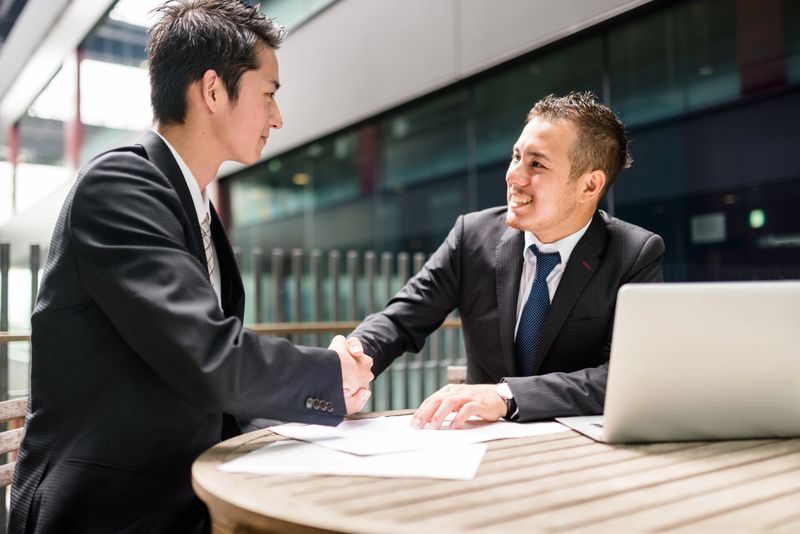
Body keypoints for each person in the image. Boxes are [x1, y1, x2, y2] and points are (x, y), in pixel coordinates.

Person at [9, 1, 372, 533]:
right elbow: (208, 355)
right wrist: (327, 376)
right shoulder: (118, 187)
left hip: (179, 491)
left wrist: (320, 402)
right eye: (269, 93)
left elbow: (201, 381)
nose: (278, 117)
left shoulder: (193, 205)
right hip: (108, 509)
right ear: (212, 91)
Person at [349, 91, 664, 430]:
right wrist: (351, 358)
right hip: (479, 446)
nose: (514, 177)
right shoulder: (471, 235)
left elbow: (627, 375)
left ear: (589, 186)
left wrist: (506, 396)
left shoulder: (635, 253)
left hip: (582, 453)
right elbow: (400, 321)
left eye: (537, 164)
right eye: (516, 157)